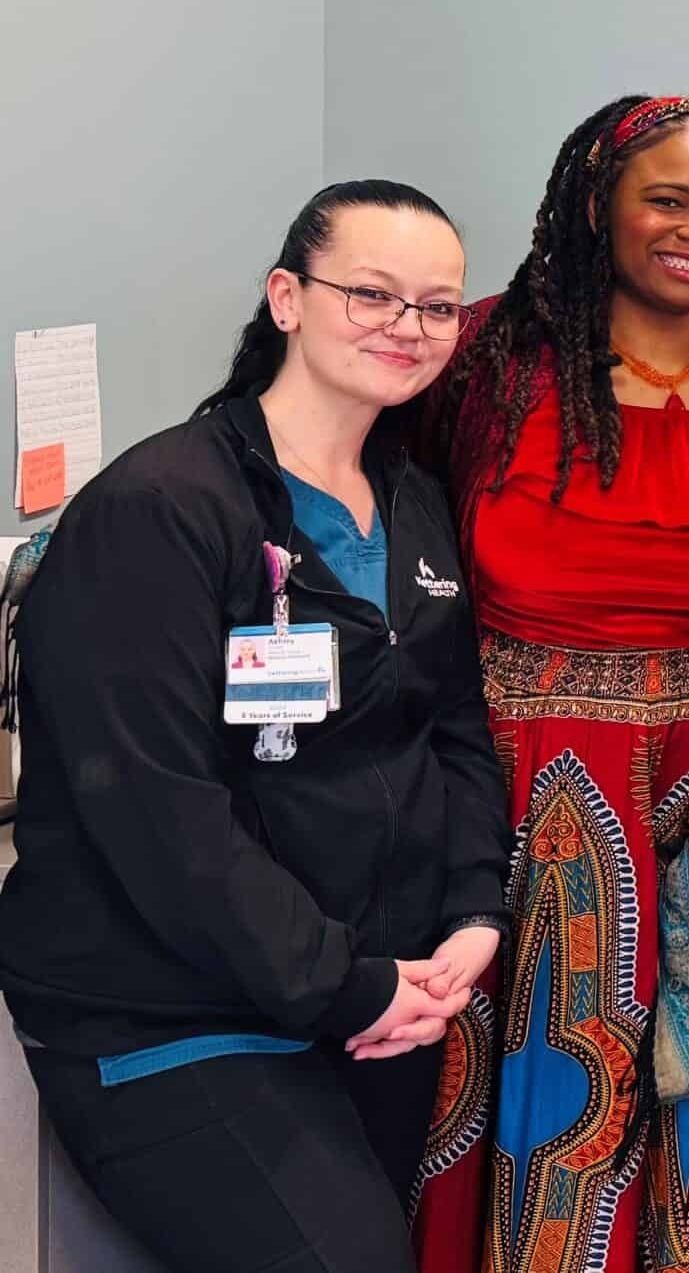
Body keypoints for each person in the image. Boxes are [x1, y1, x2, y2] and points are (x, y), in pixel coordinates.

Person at [0, 182, 508, 1273]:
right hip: (173, 1010)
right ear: (286, 296)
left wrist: (473, 910)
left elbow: (452, 726)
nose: (406, 327)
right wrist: (344, 982)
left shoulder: (408, 497)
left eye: (437, 307)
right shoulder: (164, 509)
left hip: (371, 988)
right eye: (370, 293)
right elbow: (156, 807)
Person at [409, 96, 689, 1273]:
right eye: (666, 198)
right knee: (529, 1097)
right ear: (596, 205)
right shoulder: (485, 360)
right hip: (509, 799)